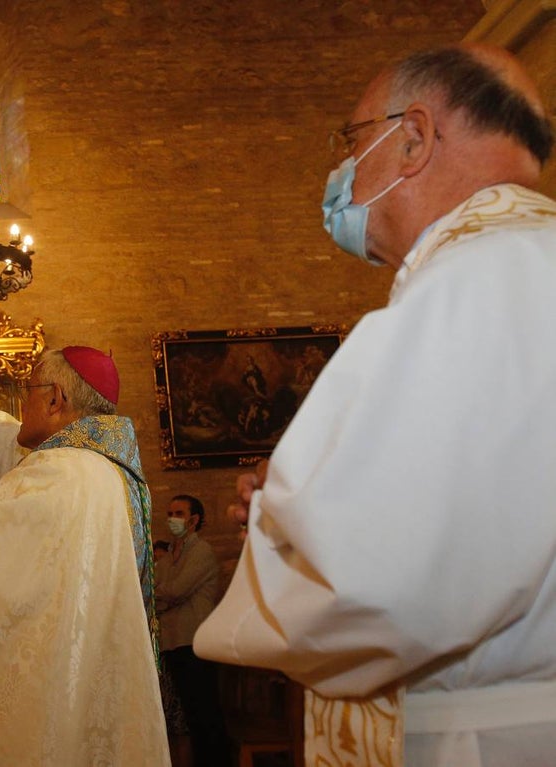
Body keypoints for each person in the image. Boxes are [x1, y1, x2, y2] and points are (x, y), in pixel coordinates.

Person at [193, 43, 556, 767]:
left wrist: (279, 517)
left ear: (414, 138)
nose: (343, 173)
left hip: (479, 742)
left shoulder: (462, 288)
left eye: (354, 142)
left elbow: (367, 586)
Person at [0, 347, 171, 766]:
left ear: (56, 398)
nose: (23, 405)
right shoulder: (110, 470)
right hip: (97, 672)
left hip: (51, 687)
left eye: (29, 391)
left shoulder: (57, 472)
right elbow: (3, 431)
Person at [154, 494, 229, 766]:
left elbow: (176, 589)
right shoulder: (168, 558)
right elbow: (152, 593)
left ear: (194, 520)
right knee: (185, 717)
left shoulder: (202, 551)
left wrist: (163, 597)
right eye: (170, 513)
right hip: (172, 644)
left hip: (194, 642)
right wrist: (162, 597)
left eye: (179, 513)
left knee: (205, 714)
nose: (172, 519)